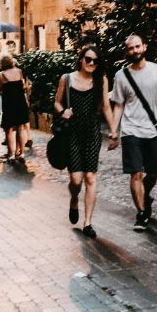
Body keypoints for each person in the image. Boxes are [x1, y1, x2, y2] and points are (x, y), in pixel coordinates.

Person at [108, 34, 157, 233]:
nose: (135, 51)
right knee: (135, 173)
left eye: (138, 47)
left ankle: (145, 196)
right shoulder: (121, 76)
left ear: (144, 47)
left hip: (153, 130)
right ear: (127, 51)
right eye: (131, 48)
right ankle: (141, 213)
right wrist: (114, 131)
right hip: (131, 131)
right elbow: (118, 106)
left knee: (153, 173)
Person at [53, 45, 116, 237]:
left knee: (90, 177)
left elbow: (105, 106)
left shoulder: (101, 80)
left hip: (91, 132)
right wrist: (63, 111)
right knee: (76, 179)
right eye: (88, 59)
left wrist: (114, 131)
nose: (91, 63)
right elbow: (57, 102)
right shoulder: (67, 78)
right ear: (81, 59)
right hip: (72, 132)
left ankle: (88, 223)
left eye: (95, 61)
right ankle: (74, 199)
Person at [0, 56, 31, 161]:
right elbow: (24, 86)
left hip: (9, 104)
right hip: (20, 103)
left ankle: (11, 154)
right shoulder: (19, 71)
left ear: (2, 64)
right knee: (20, 128)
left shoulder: (0, 75)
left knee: (9, 130)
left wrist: (4, 90)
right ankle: (22, 153)